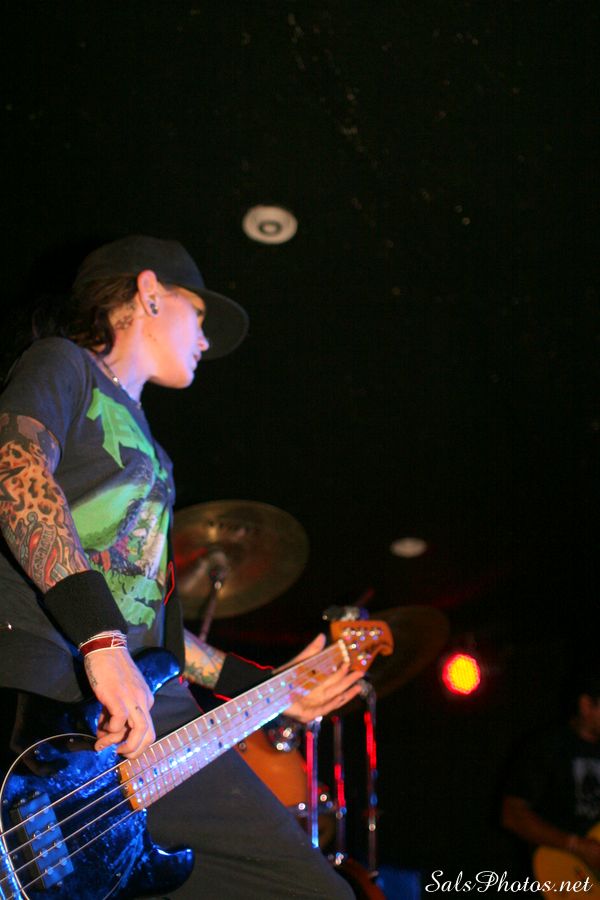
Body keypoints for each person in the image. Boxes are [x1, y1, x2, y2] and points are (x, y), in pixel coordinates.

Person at [0, 234, 362, 899]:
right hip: (52, 694)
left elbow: (157, 632)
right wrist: (100, 640)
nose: (205, 339)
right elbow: (15, 470)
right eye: (198, 314)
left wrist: (269, 687)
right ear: (149, 293)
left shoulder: (158, 458)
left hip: (149, 710)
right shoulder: (64, 365)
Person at [502, 673, 600, 876]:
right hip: (555, 875)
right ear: (586, 705)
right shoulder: (547, 747)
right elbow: (512, 814)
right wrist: (575, 845)